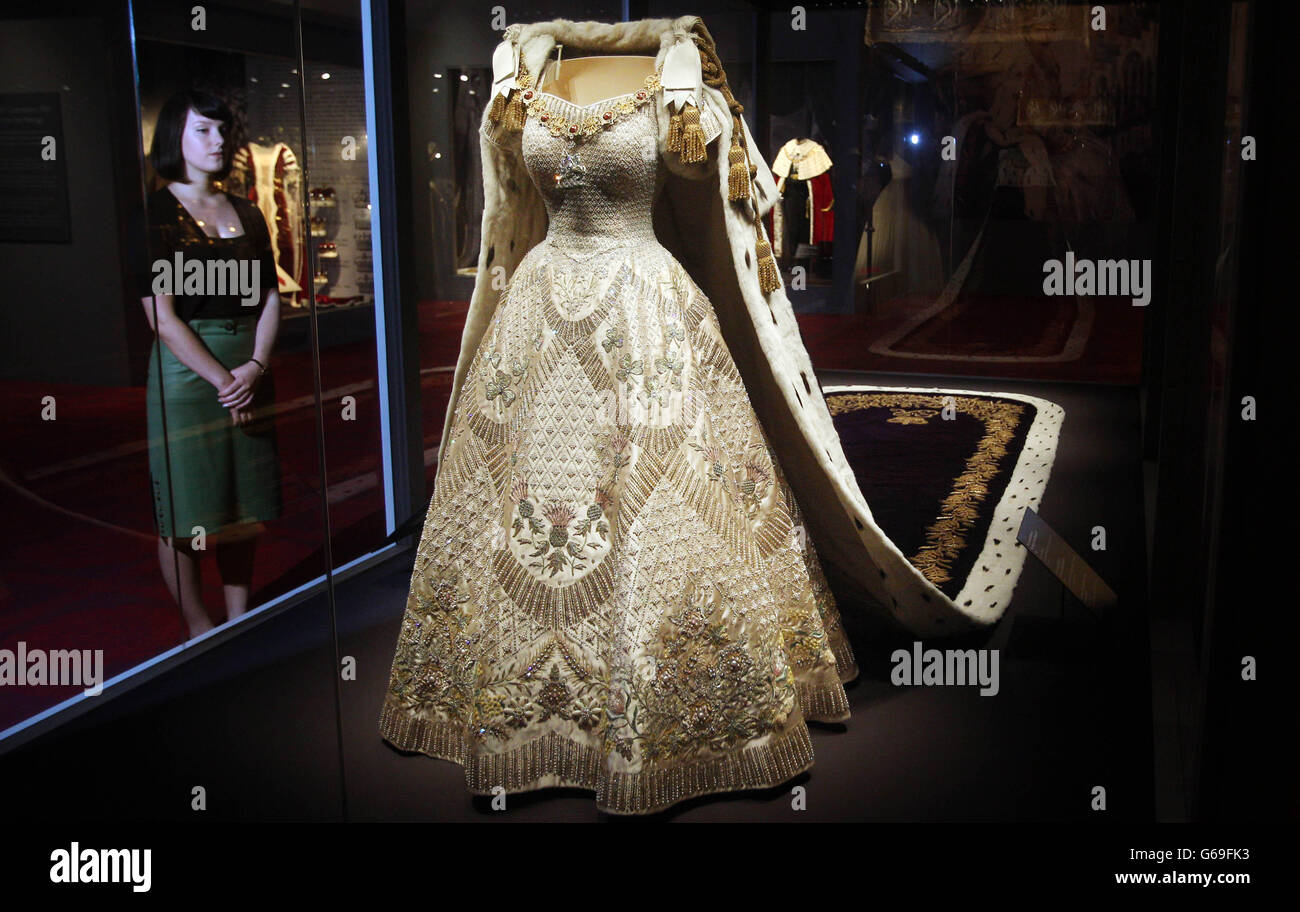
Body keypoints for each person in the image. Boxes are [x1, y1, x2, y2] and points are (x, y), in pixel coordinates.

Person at [138, 89, 283, 638]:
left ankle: (241, 620)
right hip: (188, 376)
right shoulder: (155, 214)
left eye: (223, 130)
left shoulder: (246, 209)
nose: (218, 141)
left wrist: (255, 368)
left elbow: (271, 297)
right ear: (175, 135)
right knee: (183, 514)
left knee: (244, 510)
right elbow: (163, 319)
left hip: (248, 367)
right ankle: (200, 627)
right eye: (203, 130)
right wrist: (227, 379)